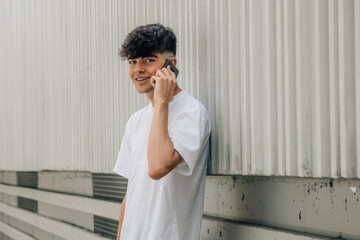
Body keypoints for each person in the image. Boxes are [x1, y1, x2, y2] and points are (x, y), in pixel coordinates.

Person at [113, 23, 211, 240]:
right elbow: (131, 194)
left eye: (148, 60)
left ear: (171, 65)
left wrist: (161, 102)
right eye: (132, 61)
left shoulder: (192, 112)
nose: (138, 69)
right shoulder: (135, 121)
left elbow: (157, 167)